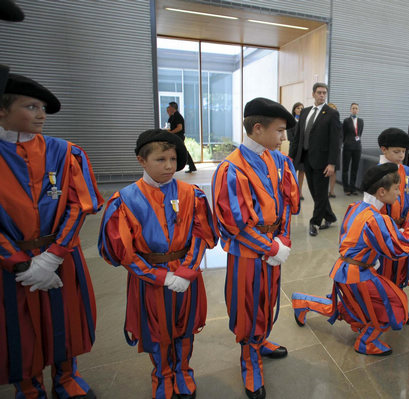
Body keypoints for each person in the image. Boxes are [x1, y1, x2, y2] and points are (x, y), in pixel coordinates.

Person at [0, 74, 103, 398]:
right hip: (11, 262)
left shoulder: (65, 152)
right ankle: (28, 387)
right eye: (30, 106)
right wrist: (17, 263)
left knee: (65, 319)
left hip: (60, 256)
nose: (41, 114)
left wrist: (54, 255)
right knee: (20, 328)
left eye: (42, 107)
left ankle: (66, 378)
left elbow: (79, 205)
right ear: (2, 110)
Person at [98, 129, 218, 399]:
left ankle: (183, 370)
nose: (169, 166)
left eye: (173, 159)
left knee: (185, 327)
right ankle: (162, 373)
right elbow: (125, 252)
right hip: (150, 280)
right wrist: (160, 277)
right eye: (160, 159)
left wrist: (186, 272)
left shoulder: (191, 194)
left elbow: (201, 235)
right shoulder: (125, 200)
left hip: (186, 275)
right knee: (156, 330)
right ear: (141, 161)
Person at [212, 98, 300, 399]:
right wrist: (269, 247)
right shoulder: (231, 169)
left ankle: (261, 340)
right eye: (279, 131)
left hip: (273, 245)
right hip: (249, 253)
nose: (283, 138)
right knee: (247, 303)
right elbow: (233, 223)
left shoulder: (277, 161)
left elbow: (287, 204)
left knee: (269, 298)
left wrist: (282, 241)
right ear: (258, 129)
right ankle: (248, 356)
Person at [292, 163, 409, 355]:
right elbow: (402, 247)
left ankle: (302, 302)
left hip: (348, 270)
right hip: (358, 274)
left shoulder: (355, 207)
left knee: (349, 307)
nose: (398, 194)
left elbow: (351, 239)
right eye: (396, 189)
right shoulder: (377, 219)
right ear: (381, 192)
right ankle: (366, 342)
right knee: (395, 305)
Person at [289, 83, 341, 237]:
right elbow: (298, 137)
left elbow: (335, 141)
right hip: (305, 158)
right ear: (313, 94)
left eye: (324, 93)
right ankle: (330, 216)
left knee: (320, 193)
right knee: (314, 191)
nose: (322, 95)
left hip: (323, 161)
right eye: (319, 93)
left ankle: (315, 222)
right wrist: (291, 159)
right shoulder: (305, 112)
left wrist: (332, 163)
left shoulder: (331, 114)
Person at [376, 128, 409, 303]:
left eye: (403, 151)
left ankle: (399, 304)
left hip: (404, 230)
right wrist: (388, 227)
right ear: (384, 149)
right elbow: (372, 207)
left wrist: (408, 226)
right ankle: (383, 305)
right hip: (384, 231)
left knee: (401, 269)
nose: (401, 155)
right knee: (383, 269)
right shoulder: (377, 173)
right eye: (396, 151)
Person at [166, 102, 197, 173]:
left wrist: (171, 132)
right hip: (175, 136)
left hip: (178, 137)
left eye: (169, 107)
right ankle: (191, 166)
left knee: (183, 151)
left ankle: (191, 166)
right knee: (179, 150)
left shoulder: (177, 116)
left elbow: (179, 128)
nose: (168, 109)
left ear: (173, 108)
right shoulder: (172, 117)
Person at [342, 103, 363, 195]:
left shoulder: (361, 121)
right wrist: (345, 142)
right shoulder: (346, 121)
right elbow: (343, 133)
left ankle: (353, 187)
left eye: (356, 108)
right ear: (350, 109)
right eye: (353, 108)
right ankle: (346, 188)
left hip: (357, 147)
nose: (355, 110)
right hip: (348, 146)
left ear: (358, 110)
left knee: (355, 168)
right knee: (346, 168)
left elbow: (359, 133)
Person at [288, 102, 305, 199]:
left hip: (303, 150)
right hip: (294, 150)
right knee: (293, 171)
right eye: (298, 108)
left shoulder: (304, 122)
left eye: (302, 108)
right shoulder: (290, 122)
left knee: (302, 171)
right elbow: (290, 138)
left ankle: (300, 191)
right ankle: (292, 191)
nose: (300, 110)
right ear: (294, 110)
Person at [327, 102, 341, 198]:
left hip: (335, 151)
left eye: (334, 108)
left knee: (334, 171)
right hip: (325, 151)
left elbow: (341, 137)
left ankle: (331, 191)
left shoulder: (340, 124)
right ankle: (324, 191)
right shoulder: (323, 122)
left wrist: (337, 146)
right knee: (324, 172)